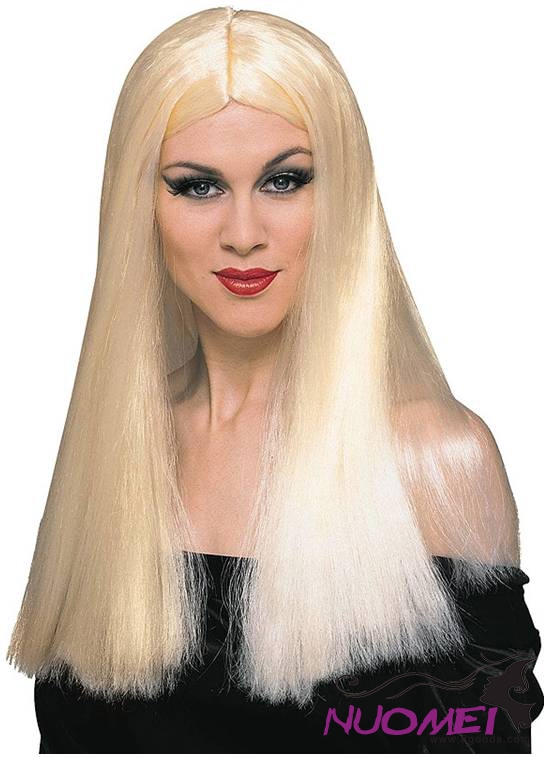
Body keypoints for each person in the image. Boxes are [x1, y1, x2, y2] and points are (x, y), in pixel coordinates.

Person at [6, 6, 543, 753]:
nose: (243, 233)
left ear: (342, 193)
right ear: (140, 205)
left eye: (284, 181)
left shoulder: (432, 459)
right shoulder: (121, 450)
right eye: (197, 187)